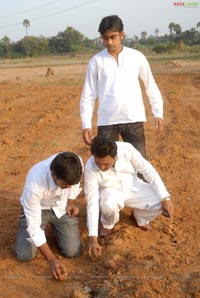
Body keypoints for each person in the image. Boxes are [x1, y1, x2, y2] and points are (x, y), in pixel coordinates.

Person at [80, 15, 164, 158]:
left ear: (122, 34)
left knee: (139, 164)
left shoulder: (136, 57)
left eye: (113, 37)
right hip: (107, 121)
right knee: (105, 164)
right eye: (105, 38)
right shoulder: (96, 61)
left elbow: (151, 85)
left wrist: (158, 114)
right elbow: (88, 95)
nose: (109, 42)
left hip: (133, 118)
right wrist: (85, 124)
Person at [84, 137, 174, 257]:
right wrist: (93, 238)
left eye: (106, 164)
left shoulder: (127, 149)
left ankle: (140, 218)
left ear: (115, 156)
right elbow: (92, 201)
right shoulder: (90, 167)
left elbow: (148, 171)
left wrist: (165, 198)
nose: (101, 167)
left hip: (133, 186)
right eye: (98, 163)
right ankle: (108, 224)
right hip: (110, 191)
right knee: (107, 204)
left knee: (159, 202)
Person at [14, 152, 83, 281]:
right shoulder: (35, 184)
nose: (68, 188)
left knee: (73, 251)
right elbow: (34, 226)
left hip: (61, 208)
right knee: (25, 254)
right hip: (38, 209)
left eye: (70, 185)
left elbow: (74, 185)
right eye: (64, 185)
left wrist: (71, 202)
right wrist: (51, 259)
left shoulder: (76, 162)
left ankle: (56, 231)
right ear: (53, 175)